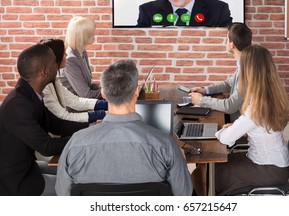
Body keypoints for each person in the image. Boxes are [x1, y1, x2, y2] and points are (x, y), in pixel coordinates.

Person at [56, 59, 193, 196]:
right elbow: (184, 195)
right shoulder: (166, 145)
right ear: (136, 92)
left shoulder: (75, 143)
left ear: (103, 93)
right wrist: (180, 159)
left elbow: (63, 195)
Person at [0, 44, 89, 196]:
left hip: (22, 169)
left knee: (74, 174)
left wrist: (91, 126)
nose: (57, 66)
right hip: (11, 183)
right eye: (54, 63)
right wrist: (83, 138)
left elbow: (57, 125)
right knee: (77, 189)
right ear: (44, 72)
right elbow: (47, 147)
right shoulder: (18, 105)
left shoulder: (29, 94)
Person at [193, 45, 289, 196]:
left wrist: (227, 130)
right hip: (276, 164)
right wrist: (238, 128)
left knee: (202, 173)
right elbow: (261, 129)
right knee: (212, 165)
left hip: (268, 169)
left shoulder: (256, 107)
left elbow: (225, 138)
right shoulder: (271, 97)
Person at [190, 22, 252, 123]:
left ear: (232, 45)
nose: (225, 42)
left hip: (241, 127)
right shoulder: (243, 64)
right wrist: (206, 90)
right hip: (237, 122)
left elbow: (230, 106)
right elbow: (228, 84)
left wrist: (202, 101)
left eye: (226, 39)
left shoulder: (248, 70)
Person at [40, 38, 107, 123]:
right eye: (64, 53)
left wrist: (108, 105)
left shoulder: (54, 80)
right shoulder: (44, 87)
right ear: (55, 58)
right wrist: (102, 114)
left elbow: (75, 101)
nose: (66, 55)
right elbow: (64, 116)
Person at [59, 16, 101, 99]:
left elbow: (86, 84)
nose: (94, 34)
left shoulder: (83, 53)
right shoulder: (70, 59)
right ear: (82, 35)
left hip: (85, 102)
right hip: (75, 107)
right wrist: (111, 92)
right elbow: (85, 94)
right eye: (91, 32)